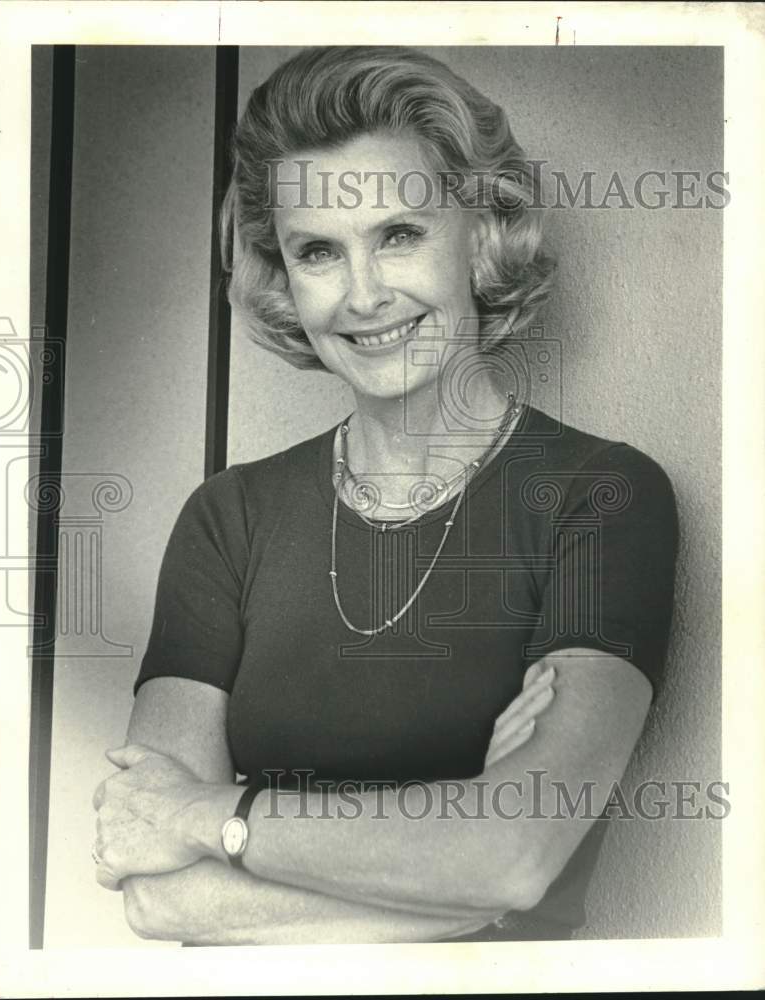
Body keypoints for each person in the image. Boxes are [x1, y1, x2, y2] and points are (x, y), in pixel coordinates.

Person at [92, 46, 679, 945]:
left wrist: (214, 818)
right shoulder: (228, 519)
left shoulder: (598, 495)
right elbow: (161, 893)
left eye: (400, 235)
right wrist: (459, 875)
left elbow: (514, 855)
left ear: (480, 237)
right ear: (281, 278)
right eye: (318, 251)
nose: (364, 295)